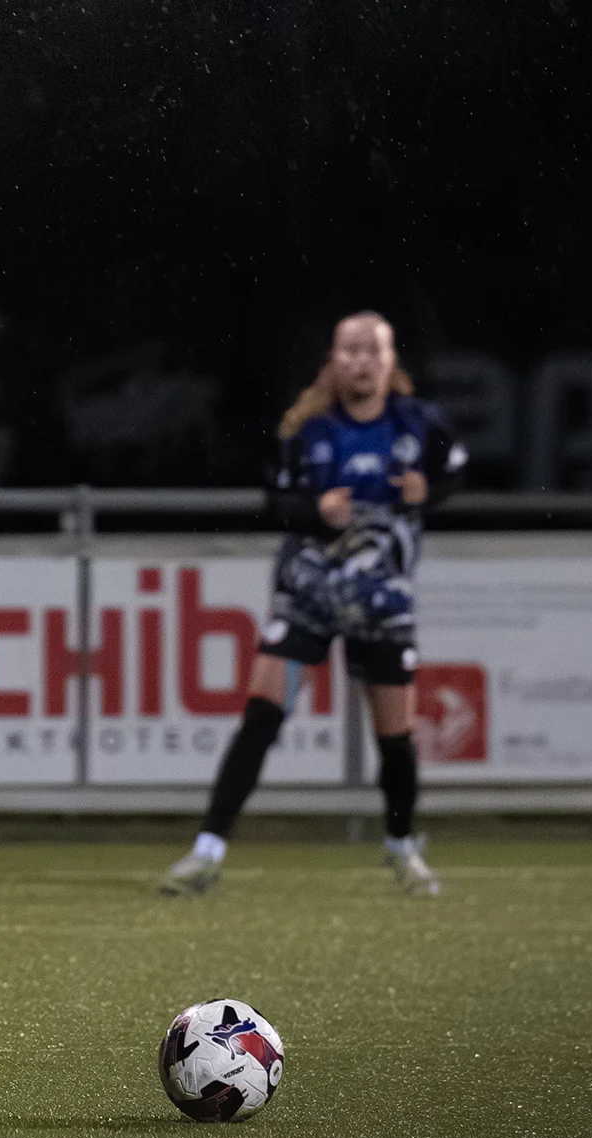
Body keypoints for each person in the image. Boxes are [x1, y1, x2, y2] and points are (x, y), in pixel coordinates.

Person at [160, 312, 466, 897]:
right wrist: (315, 512)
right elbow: (275, 502)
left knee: (395, 737)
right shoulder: (308, 430)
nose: (362, 361)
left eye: (372, 350)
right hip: (310, 589)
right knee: (261, 717)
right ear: (333, 360)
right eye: (350, 350)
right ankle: (207, 850)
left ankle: (403, 848)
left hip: (383, 597)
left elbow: (453, 478)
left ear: (390, 360)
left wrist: (431, 492)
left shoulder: (421, 423)